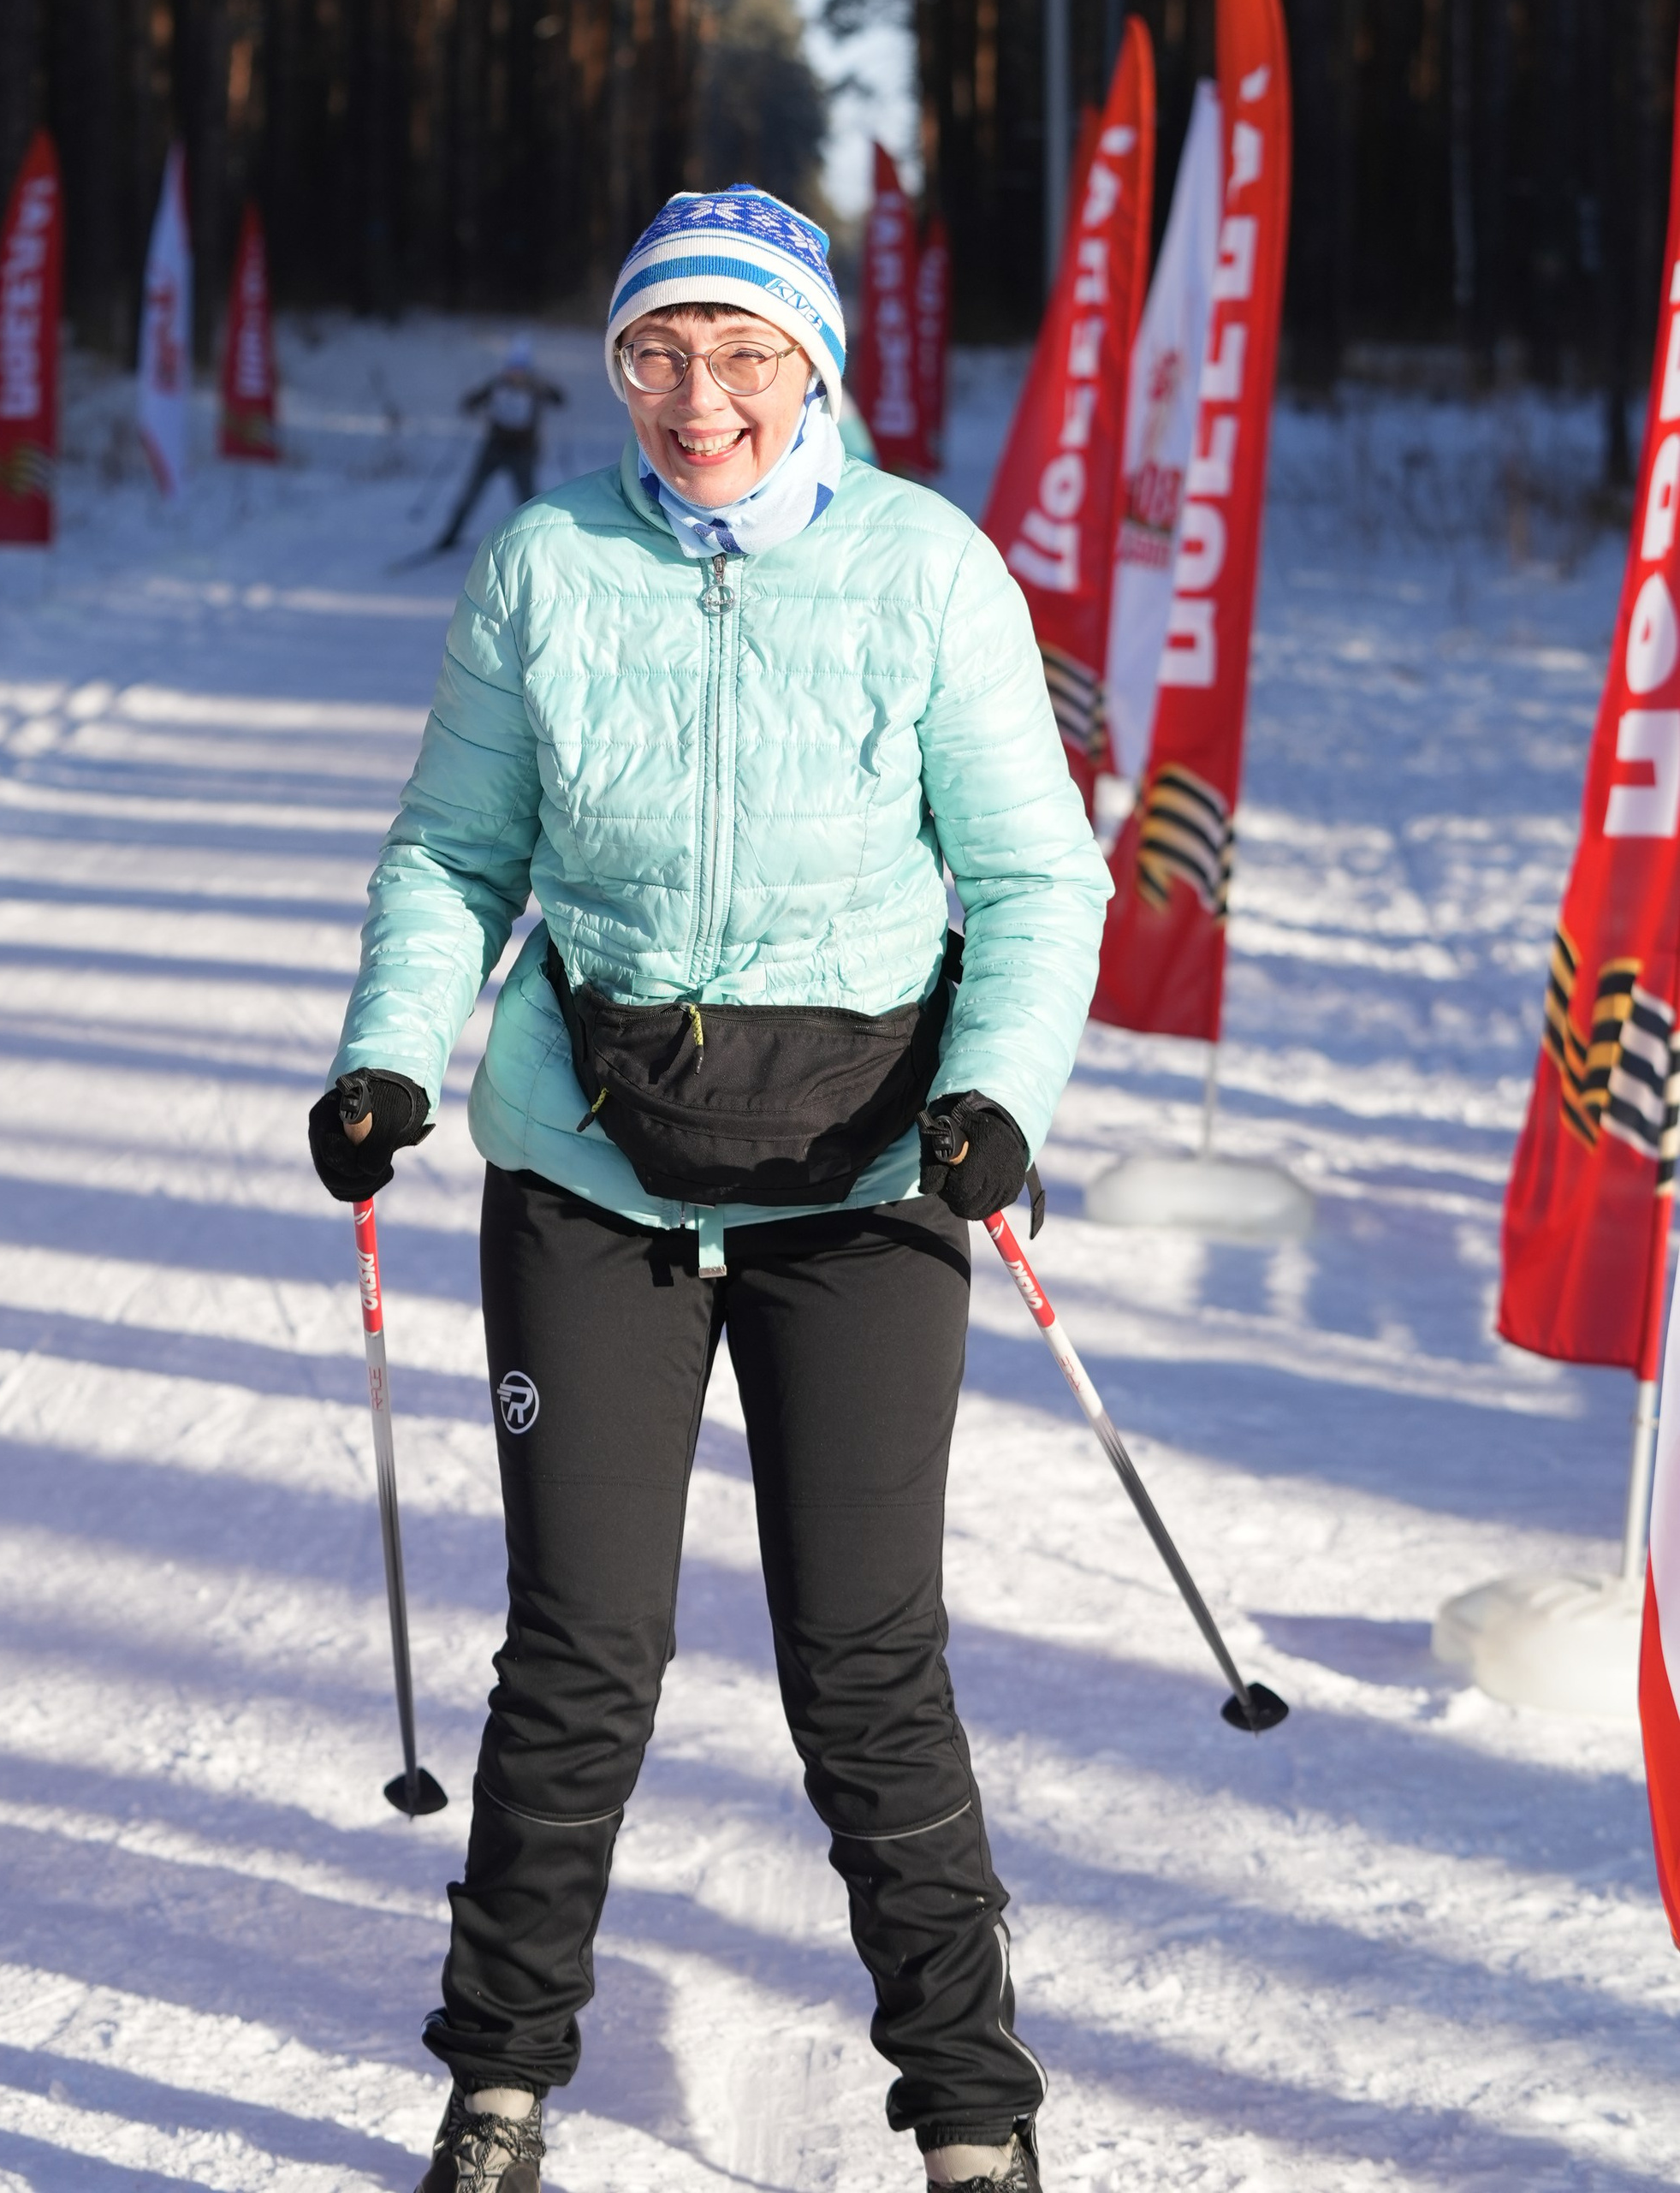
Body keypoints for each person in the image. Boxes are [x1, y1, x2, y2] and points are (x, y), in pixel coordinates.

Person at [310, 187, 1107, 2193]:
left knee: (864, 1656)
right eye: (656, 353)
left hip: (861, 1179)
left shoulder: (926, 568)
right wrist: (391, 1053)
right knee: (580, 1650)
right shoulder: (546, 562)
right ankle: (495, 2087)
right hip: (592, 1167)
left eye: (745, 354)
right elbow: (449, 855)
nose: (698, 398)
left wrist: (994, 1092)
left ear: (813, 369)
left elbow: (1032, 875)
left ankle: (972, 2112)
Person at [434, 335, 567, 548]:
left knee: (527, 500)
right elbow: (475, 400)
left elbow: (559, 399)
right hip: (494, 449)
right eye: (513, 368)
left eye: (520, 369)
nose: (515, 374)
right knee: (471, 493)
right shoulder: (498, 384)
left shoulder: (534, 387)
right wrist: (472, 403)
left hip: (522, 453)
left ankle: (535, 538)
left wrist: (547, 390)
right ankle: (450, 535)